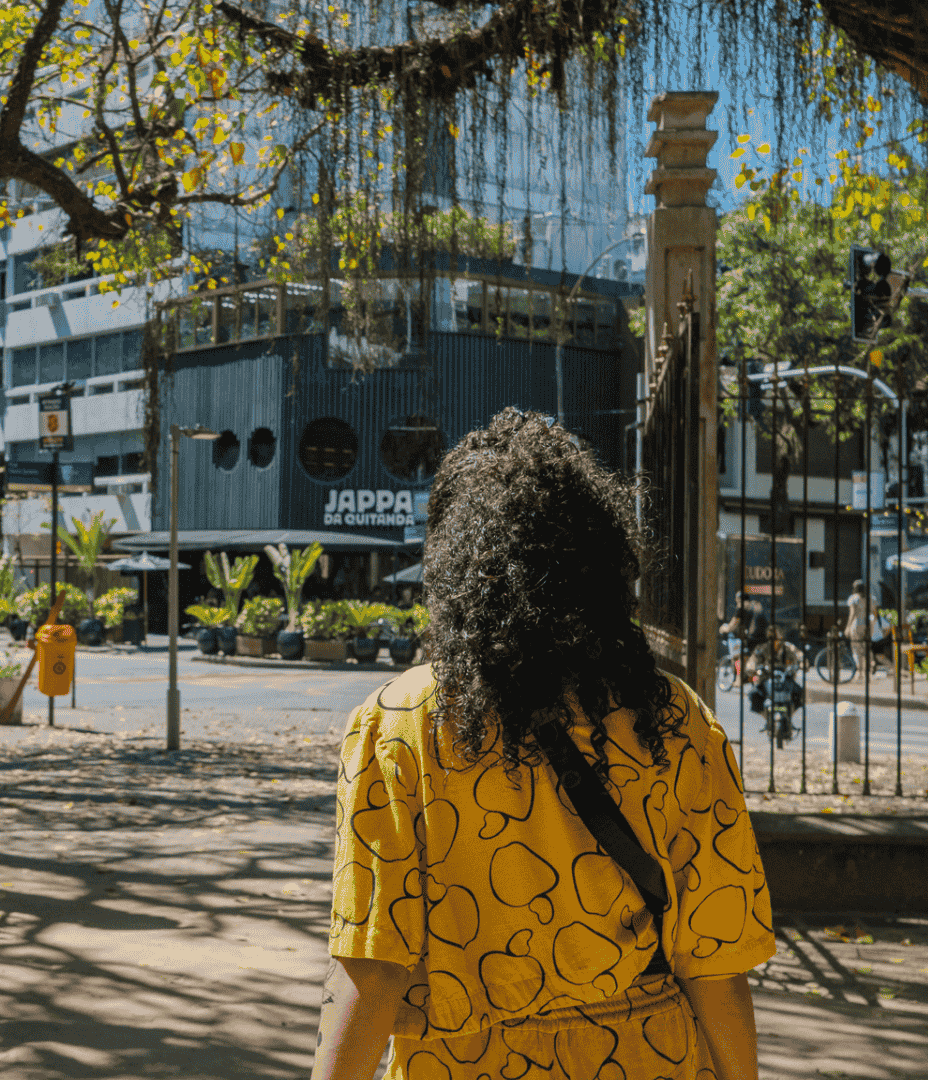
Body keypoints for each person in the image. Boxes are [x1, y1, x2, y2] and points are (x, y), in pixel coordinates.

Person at [315, 409, 772, 1080]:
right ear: (600, 561)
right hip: (649, 1056)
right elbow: (716, 965)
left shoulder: (402, 724)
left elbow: (372, 965)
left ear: (452, 565)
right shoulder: (675, 721)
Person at [747, 626, 806, 718]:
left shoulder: (788, 647)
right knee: (753, 694)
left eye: (776, 633)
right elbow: (753, 659)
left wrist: (803, 663)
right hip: (767, 678)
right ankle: (766, 717)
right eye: (771, 633)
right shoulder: (762, 647)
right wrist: (751, 667)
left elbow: (799, 655)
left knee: (799, 693)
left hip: (786, 678)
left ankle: (789, 715)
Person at [844, 579, 875, 679]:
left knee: (856, 649)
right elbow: (873, 613)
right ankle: (870, 666)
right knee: (866, 648)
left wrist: (847, 627)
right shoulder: (870, 598)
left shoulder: (853, 598)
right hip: (868, 624)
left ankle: (860, 673)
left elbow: (852, 614)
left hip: (856, 625)